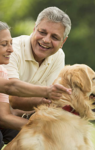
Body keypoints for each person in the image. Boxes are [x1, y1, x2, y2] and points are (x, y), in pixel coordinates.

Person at [0, 21, 71, 149]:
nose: (11, 49)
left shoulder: (2, 71)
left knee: (24, 135)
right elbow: (10, 87)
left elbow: (4, 116)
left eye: (10, 43)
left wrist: (43, 129)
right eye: (4, 44)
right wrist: (46, 92)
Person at [4, 6, 72, 111]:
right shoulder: (11, 50)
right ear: (34, 28)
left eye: (54, 37)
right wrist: (46, 97)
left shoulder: (58, 55)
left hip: (32, 118)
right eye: (42, 32)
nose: (46, 40)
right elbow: (14, 100)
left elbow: (53, 96)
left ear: (63, 42)